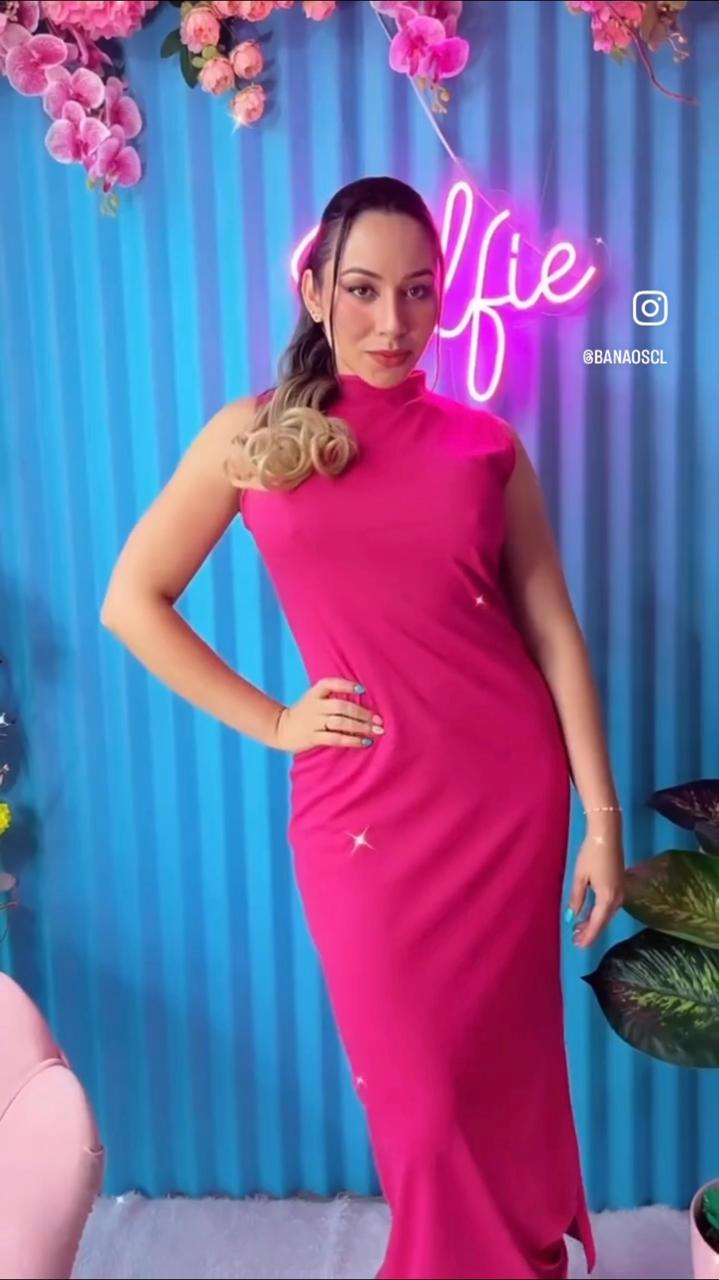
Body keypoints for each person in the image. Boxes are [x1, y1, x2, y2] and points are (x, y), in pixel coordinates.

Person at [101, 175, 625, 1280]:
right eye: (363, 289)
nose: (393, 321)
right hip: (359, 815)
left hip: (505, 797)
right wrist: (273, 719)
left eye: (419, 291)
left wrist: (602, 815)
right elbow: (132, 600)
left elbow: (553, 630)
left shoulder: (486, 445)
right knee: (419, 1101)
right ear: (314, 289)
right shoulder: (252, 436)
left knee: (497, 1071)